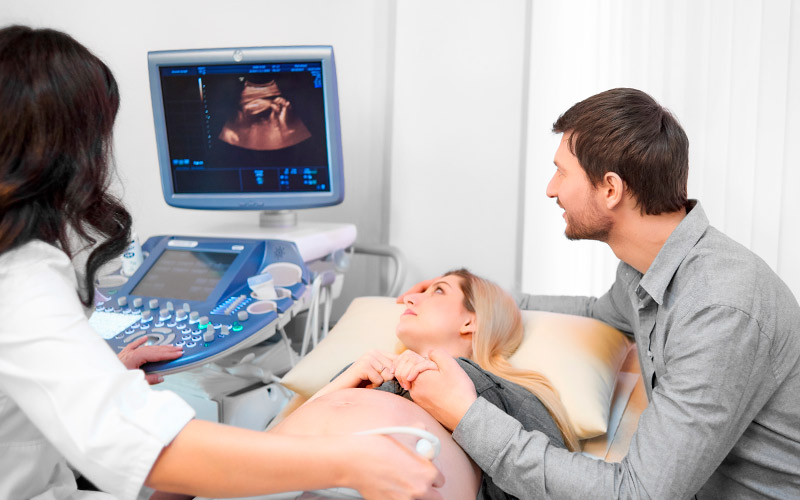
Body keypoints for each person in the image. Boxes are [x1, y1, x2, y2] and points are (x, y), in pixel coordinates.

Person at [0, 25, 443, 500]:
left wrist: (99, 375)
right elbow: (153, 453)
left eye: (441, 290)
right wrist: (350, 462)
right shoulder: (22, 278)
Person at [398, 88, 800, 499]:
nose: (551, 189)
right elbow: (595, 312)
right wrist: (471, 297)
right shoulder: (644, 271)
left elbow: (637, 494)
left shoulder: (719, 308)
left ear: (610, 189)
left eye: (561, 172)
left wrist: (466, 414)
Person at [273, 269, 577, 500]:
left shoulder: (504, 391)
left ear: (470, 321)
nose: (410, 297)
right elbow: (277, 438)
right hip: (275, 481)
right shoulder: (364, 369)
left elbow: (551, 482)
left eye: (438, 290)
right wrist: (345, 380)